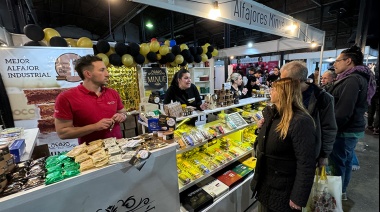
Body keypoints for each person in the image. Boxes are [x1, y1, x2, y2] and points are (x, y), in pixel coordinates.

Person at [251, 77, 316, 212]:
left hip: (285, 190)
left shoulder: (300, 121)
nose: (270, 90)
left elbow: (306, 163)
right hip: (265, 185)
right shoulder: (272, 115)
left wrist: (298, 197)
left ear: (284, 93)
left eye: (274, 89)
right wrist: (260, 130)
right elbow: (263, 147)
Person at [327, 45, 377, 200]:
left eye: (337, 61)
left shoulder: (352, 80)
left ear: (348, 61)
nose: (334, 64)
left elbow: (344, 111)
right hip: (350, 129)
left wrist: (330, 130)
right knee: (346, 162)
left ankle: (335, 195)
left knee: (338, 163)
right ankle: (341, 192)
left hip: (344, 130)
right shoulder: (357, 77)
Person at [54, 55, 127, 145]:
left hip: (118, 148)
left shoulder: (112, 93)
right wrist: (95, 127)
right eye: (102, 70)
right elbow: (63, 133)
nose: (107, 74)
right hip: (91, 154)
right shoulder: (66, 97)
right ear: (88, 74)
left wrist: (122, 115)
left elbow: (123, 112)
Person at [280, 61, 337, 168]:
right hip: (286, 152)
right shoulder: (285, 94)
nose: (281, 83)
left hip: (309, 152)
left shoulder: (322, 98)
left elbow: (329, 128)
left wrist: (324, 155)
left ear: (296, 81)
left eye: (284, 80)